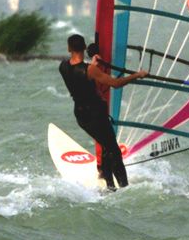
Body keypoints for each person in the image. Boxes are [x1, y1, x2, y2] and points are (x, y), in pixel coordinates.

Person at [59, 34, 147, 190]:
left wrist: (92, 65)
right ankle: (124, 187)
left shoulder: (63, 67)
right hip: (95, 115)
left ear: (69, 48)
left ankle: (110, 186)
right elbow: (116, 83)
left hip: (81, 115)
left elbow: (80, 73)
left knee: (107, 147)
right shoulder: (90, 70)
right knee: (113, 150)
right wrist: (137, 75)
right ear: (85, 48)